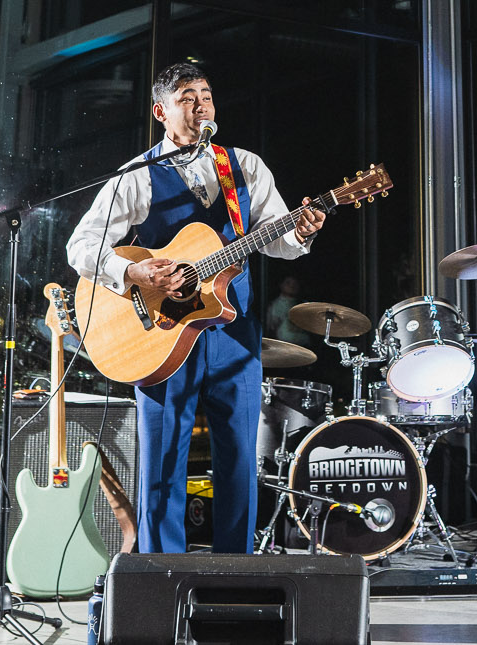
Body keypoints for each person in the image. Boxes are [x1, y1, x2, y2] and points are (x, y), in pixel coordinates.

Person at [66, 61, 328, 554]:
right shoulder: (137, 175)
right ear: (160, 112)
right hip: (160, 333)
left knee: (240, 460)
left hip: (234, 334)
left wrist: (300, 232)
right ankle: (161, 574)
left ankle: (235, 572)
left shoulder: (244, 165)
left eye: (206, 95)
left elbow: (278, 238)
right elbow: (80, 246)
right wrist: (134, 273)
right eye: (187, 97)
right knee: (163, 461)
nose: (201, 104)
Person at [264, 275, 314, 346]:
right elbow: (270, 330)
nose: (292, 286)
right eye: (288, 283)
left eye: (295, 283)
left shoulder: (305, 305)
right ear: (281, 285)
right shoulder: (274, 305)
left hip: (304, 346)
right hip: (283, 346)